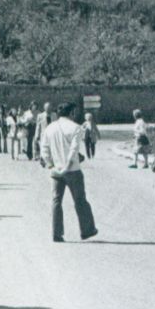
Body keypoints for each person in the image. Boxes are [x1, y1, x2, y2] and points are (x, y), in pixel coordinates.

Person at [41, 102, 99, 243]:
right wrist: (67, 165)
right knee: (80, 200)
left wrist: (50, 165)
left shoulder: (50, 128)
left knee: (56, 201)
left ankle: (57, 233)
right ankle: (86, 230)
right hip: (72, 170)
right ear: (72, 113)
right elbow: (74, 150)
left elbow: (44, 149)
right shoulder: (76, 128)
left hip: (56, 171)